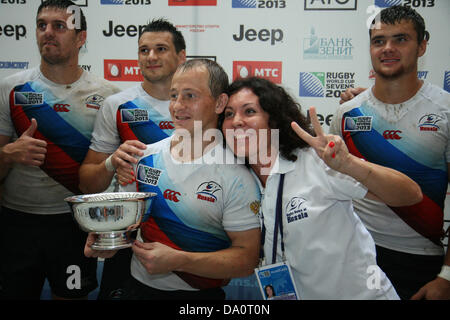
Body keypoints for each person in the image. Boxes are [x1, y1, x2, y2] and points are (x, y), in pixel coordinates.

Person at [220, 76, 423, 299]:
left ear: (274, 120)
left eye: (249, 111)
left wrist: (349, 165)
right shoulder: (238, 179)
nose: (237, 121)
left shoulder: (317, 162)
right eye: (229, 114)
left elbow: (410, 194)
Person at [84, 59, 261, 300]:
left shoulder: (237, 175)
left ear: (219, 102)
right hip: (137, 290)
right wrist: (108, 239)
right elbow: (129, 225)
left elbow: (247, 260)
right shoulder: (144, 156)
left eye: (190, 96)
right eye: (174, 95)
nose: (178, 106)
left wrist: (181, 260)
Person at [0, 0, 120, 299]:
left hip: (74, 224)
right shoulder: (9, 89)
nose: (47, 32)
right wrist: (9, 154)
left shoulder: (108, 96)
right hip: (16, 223)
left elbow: (114, 171)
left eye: (59, 26)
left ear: (81, 37)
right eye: (41, 25)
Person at [329, 5, 450, 300]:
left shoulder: (445, 110)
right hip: (354, 254)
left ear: (422, 45)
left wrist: (447, 276)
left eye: (401, 39)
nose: (388, 49)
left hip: (421, 260)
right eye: (379, 41)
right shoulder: (346, 113)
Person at [78, 18, 186, 300]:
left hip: (187, 233)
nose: (151, 57)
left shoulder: (202, 105)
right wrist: (112, 162)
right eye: (144, 50)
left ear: (181, 56)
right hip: (129, 239)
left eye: (161, 49)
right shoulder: (118, 105)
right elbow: (87, 182)